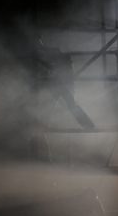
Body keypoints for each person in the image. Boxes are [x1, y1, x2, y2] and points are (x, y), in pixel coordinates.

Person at [32, 33, 95, 163]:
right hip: (61, 83)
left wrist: (40, 61)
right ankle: (87, 124)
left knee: (68, 105)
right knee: (65, 105)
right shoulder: (54, 53)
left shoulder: (55, 53)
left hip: (63, 83)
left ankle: (88, 124)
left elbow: (54, 66)